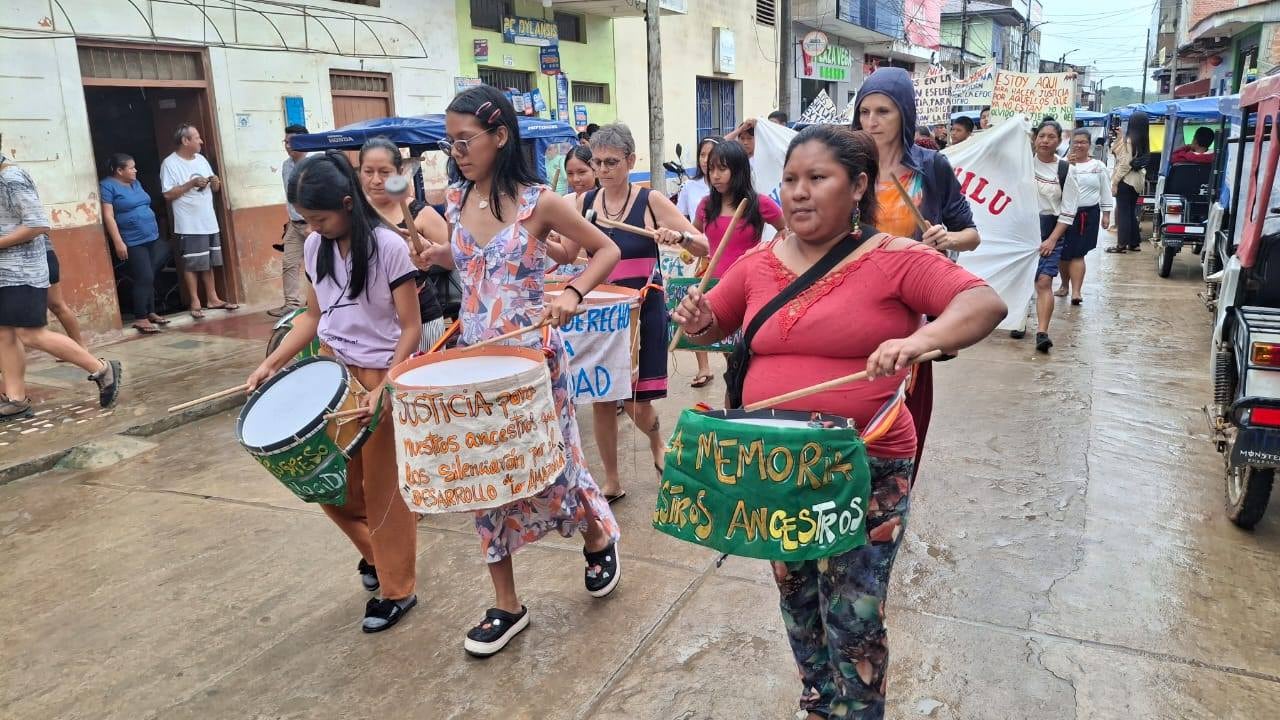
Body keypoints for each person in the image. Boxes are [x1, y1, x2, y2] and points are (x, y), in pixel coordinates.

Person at [670, 125, 1006, 720]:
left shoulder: (894, 258)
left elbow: (982, 303)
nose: (799, 193)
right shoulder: (756, 263)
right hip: (776, 465)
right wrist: (695, 317)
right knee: (797, 595)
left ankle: (859, 710)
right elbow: (708, 329)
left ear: (857, 186)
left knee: (853, 609)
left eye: (817, 179)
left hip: (865, 465)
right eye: (791, 180)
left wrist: (919, 339)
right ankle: (819, 702)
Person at [421, 86, 625, 656]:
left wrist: (575, 294)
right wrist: (437, 257)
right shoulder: (454, 202)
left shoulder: (541, 202)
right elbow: (471, 263)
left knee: (552, 465)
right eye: (451, 141)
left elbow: (603, 250)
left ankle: (595, 533)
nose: (456, 151)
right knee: (483, 478)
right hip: (476, 366)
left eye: (466, 140)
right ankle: (507, 605)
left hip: (533, 359)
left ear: (501, 136)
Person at [246, 151, 422, 632]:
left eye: (320, 219)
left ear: (348, 203)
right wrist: (271, 361)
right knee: (326, 483)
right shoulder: (313, 247)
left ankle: (397, 589)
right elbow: (312, 317)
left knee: (383, 489)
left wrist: (386, 384)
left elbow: (411, 327)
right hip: (331, 375)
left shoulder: (388, 247)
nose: (314, 228)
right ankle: (377, 555)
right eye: (307, 221)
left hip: (382, 375)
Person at [851, 67, 980, 477]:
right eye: (865, 112)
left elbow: (972, 235)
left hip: (912, 312)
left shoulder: (931, 167)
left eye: (883, 112)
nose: (871, 122)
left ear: (904, 114)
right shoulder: (847, 165)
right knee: (851, 405)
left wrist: (947, 239)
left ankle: (895, 500)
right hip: (855, 302)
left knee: (907, 412)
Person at [570, 123, 709, 502]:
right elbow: (567, 253)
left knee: (636, 401)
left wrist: (677, 237)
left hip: (642, 307)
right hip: (600, 313)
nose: (603, 169)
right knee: (601, 398)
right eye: (597, 162)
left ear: (631, 160)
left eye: (612, 161)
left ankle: (657, 441)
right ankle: (612, 480)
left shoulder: (650, 201)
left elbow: (702, 244)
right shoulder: (584, 205)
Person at [1, 152, 122, 421]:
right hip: (5, 272)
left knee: (30, 334)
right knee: (4, 335)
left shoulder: (10, 178)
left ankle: (102, 369)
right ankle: (16, 399)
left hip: (23, 270)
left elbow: (37, 224)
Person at [689, 139, 784, 389]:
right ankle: (736, 401)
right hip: (715, 290)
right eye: (711, 169)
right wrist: (682, 244)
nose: (715, 176)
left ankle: (745, 400)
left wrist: (769, 251)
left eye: (722, 169)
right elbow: (693, 238)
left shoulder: (759, 203)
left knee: (747, 354)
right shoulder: (706, 206)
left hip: (751, 290)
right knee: (732, 358)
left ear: (739, 169)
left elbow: (786, 229)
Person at [356, 137, 449, 352]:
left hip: (422, 318)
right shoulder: (354, 215)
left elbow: (457, 260)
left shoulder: (421, 214)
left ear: (399, 172)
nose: (376, 180)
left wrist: (429, 254)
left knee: (425, 384)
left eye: (385, 172)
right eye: (368, 172)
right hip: (372, 323)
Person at [161, 124, 238, 318]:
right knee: (192, 263)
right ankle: (195, 300)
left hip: (208, 219)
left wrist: (215, 182)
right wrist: (191, 183)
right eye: (196, 138)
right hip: (189, 222)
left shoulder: (202, 159)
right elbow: (168, 194)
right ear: (185, 141)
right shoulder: (170, 163)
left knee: (208, 262)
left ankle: (212, 298)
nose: (201, 141)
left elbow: (216, 189)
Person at [101, 153, 169, 334]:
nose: (135, 170)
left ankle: (150, 311)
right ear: (119, 170)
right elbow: (108, 216)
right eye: (131, 168)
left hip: (151, 236)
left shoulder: (135, 183)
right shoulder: (107, 186)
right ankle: (140, 317)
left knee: (151, 274)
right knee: (144, 276)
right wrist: (118, 242)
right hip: (132, 239)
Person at [1026, 120, 1078, 353]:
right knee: (1023, 280)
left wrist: (1052, 239)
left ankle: (1042, 332)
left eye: (1051, 137)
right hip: (1023, 229)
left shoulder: (1066, 170)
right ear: (1034, 138)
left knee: (1044, 281)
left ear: (1059, 141)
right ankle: (1018, 320)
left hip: (1051, 230)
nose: (1045, 141)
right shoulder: (1022, 165)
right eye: (1041, 136)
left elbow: (1068, 211)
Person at [1056, 129, 1112, 305]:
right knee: (1064, 254)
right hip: (1064, 215)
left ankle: (1077, 292)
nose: (1079, 145)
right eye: (1076, 142)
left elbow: (1106, 190)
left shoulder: (1098, 166)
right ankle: (1064, 285)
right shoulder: (1062, 164)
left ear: (1089, 145)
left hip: (1088, 215)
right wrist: (1069, 167)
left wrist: (1106, 214)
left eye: (1083, 142)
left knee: (1078, 254)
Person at [269, 124, 309, 318]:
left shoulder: (315, 163)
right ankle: (291, 304)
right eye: (285, 142)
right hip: (294, 224)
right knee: (289, 263)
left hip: (313, 224)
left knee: (316, 265)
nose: (287, 146)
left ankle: (317, 303)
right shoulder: (286, 165)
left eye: (291, 142)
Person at [1107, 111, 1151, 253]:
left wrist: (1115, 182)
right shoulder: (1143, 140)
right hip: (1137, 181)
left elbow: (1124, 164)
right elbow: (1116, 151)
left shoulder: (1130, 140)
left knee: (1123, 213)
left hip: (1126, 180)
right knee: (1130, 212)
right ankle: (1134, 243)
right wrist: (1119, 137)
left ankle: (1121, 245)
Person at [675, 136, 717, 223]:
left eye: (711, 155)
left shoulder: (727, 187)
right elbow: (679, 218)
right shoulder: (689, 186)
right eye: (702, 155)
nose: (705, 160)